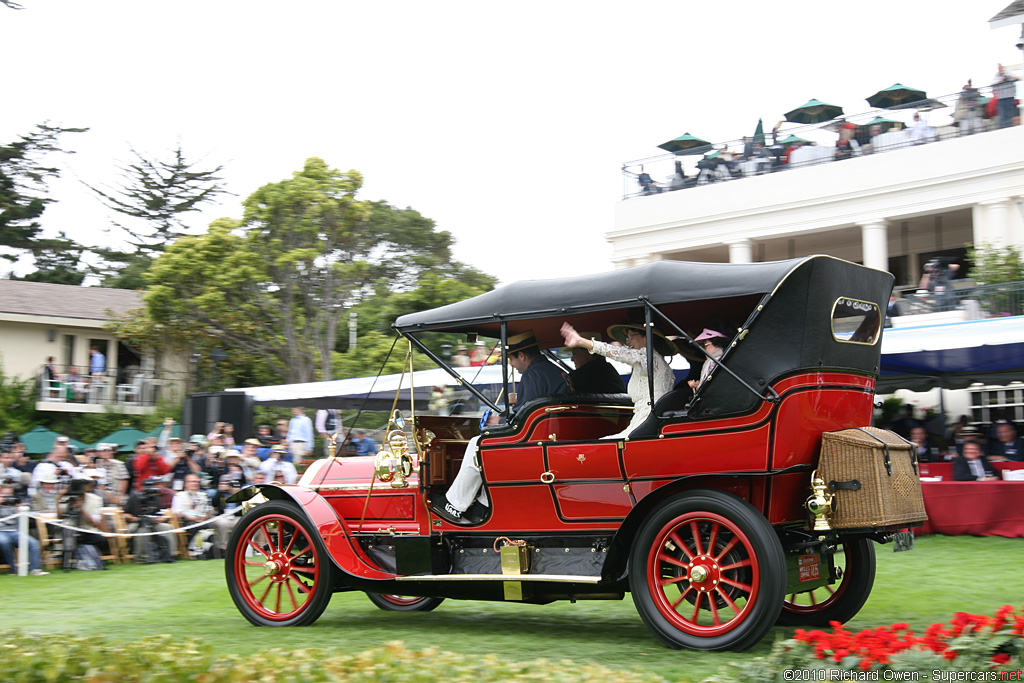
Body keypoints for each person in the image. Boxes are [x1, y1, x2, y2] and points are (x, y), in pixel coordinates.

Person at [431, 330, 568, 525]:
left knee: (477, 444)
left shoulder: (533, 374)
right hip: (552, 438)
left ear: (521, 356)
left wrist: (499, 423)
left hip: (538, 444)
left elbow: (525, 421)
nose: (511, 364)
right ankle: (483, 506)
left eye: (511, 359)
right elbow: (532, 410)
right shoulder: (552, 370)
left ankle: (454, 504)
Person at [561, 321, 674, 439]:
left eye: (631, 337)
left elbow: (621, 353)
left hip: (645, 424)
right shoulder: (656, 361)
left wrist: (582, 341)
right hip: (646, 423)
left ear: (646, 337)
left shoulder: (648, 358)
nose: (627, 342)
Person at [0, 484, 48, 575]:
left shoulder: (15, 504)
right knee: (4, 542)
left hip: (15, 531)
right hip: (1, 531)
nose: (8, 497)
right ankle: (13, 569)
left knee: (34, 543)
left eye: (10, 494)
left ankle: (35, 569)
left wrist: (20, 507)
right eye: (5, 495)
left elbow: (29, 513)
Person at [689, 328, 728, 392]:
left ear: (717, 343)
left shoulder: (712, 362)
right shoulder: (726, 358)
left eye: (705, 345)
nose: (703, 349)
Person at [991, 64, 1019, 130]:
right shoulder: (996, 76)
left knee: (1010, 114)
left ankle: (1010, 128)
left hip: (1010, 97)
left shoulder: (1008, 73)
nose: (1000, 69)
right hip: (1001, 99)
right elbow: (992, 84)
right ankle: (1003, 128)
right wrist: (1001, 80)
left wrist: (1009, 77)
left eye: (1000, 67)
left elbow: (1016, 78)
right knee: (1003, 116)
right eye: (998, 68)